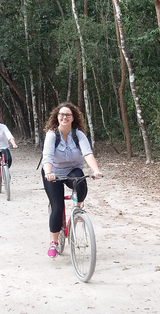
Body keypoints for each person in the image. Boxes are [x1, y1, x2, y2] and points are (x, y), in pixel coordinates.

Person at [41, 102, 102, 258]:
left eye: (68, 115)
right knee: (58, 207)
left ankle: (78, 209)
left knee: (80, 180)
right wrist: (48, 172)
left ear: (73, 117)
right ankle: (54, 241)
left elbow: (87, 153)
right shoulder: (52, 134)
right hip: (53, 172)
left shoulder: (78, 134)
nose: (64, 117)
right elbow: (47, 156)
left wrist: (96, 170)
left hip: (72, 170)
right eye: (61, 114)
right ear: (57, 117)